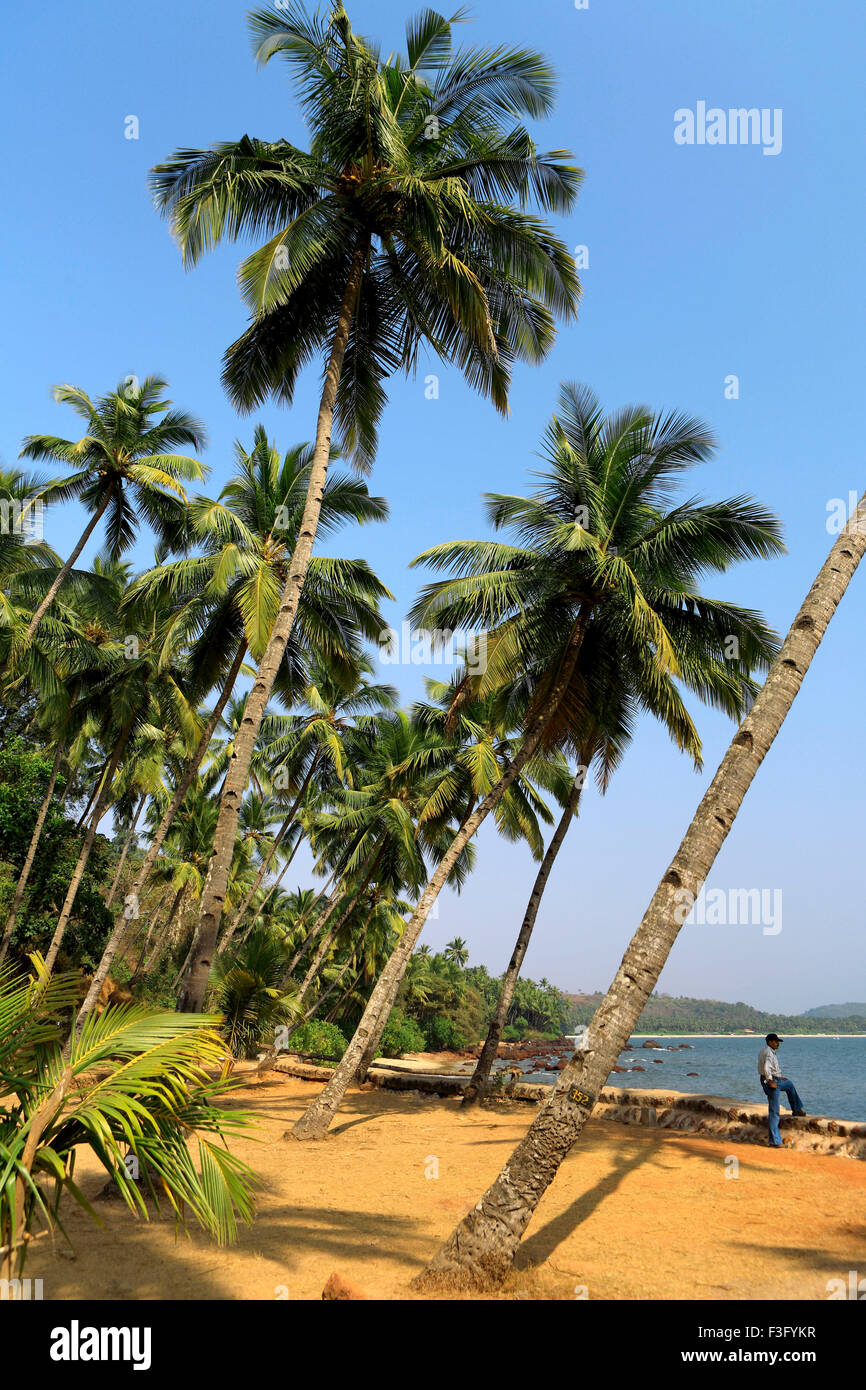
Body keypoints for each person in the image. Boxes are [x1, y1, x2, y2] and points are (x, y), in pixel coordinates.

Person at [758, 1033, 806, 1147]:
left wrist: (778, 1077)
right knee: (774, 1112)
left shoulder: (766, 1051)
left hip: (775, 1079)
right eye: (776, 1041)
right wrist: (770, 1081)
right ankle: (775, 1141)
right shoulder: (768, 1053)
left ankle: (796, 1109)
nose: (778, 1043)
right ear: (770, 1042)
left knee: (789, 1084)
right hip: (771, 1082)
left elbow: (769, 1068)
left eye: (778, 1042)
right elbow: (766, 1068)